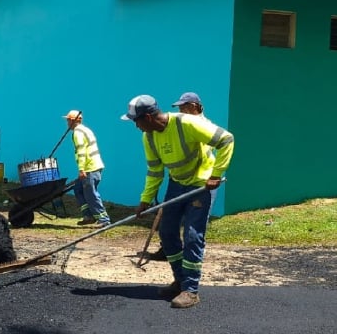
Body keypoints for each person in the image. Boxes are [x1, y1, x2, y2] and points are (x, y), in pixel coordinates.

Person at [122, 94, 234, 309]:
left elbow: (227, 139)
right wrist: (145, 200)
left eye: (136, 121)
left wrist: (217, 174)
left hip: (202, 185)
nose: (135, 126)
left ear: (147, 117)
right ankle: (180, 280)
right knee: (167, 232)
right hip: (177, 184)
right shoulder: (149, 137)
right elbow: (155, 171)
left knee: (192, 235)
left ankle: (191, 290)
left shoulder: (187, 123)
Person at [147, 92, 210, 262]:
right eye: (179, 107)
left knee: (192, 230)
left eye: (184, 106)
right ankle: (166, 249)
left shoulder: (201, 125)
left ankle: (190, 268)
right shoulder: (180, 124)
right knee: (169, 222)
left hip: (200, 182)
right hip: (177, 180)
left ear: (194, 106)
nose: (181, 110)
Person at [64, 110, 111, 228]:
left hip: (90, 167)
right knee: (78, 189)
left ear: (72, 120)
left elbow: (81, 151)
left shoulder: (77, 132)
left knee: (90, 193)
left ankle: (103, 219)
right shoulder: (86, 129)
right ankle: (88, 215)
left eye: (67, 120)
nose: (66, 123)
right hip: (95, 165)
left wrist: (81, 169)